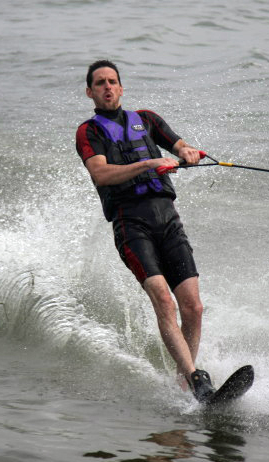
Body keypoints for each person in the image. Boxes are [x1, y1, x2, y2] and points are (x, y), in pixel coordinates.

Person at [75, 59, 215, 403]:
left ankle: (186, 385)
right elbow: (102, 175)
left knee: (193, 308)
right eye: (100, 83)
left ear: (121, 88)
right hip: (131, 223)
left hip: (167, 218)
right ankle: (197, 381)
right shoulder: (88, 132)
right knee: (164, 302)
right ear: (90, 92)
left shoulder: (148, 120)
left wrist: (186, 152)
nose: (108, 87)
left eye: (113, 81)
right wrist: (150, 164)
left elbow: (179, 145)